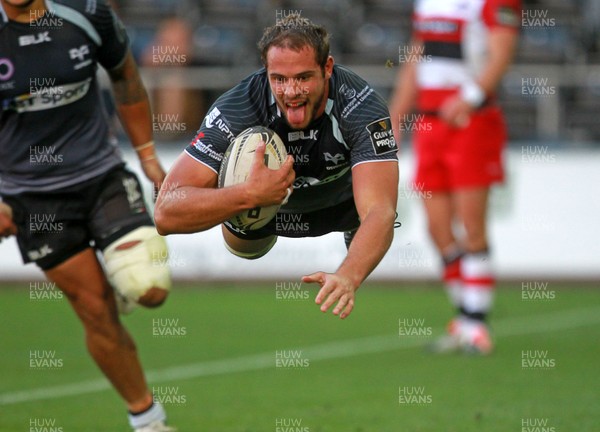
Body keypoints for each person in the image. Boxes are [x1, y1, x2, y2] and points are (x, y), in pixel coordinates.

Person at [154, 13, 399, 320]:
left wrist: (348, 276)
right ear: (265, 72)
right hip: (266, 209)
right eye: (279, 79)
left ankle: (353, 231)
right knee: (244, 248)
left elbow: (380, 210)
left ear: (327, 68)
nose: (291, 91)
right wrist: (249, 194)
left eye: (303, 78)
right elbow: (165, 212)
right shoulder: (238, 108)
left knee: (377, 219)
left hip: (343, 203)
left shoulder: (361, 104)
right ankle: (251, 211)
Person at [0, 0, 174, 430]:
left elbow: (126, 76)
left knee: (149, 288)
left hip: (101, 177)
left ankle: (123, 276)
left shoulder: (86, 10)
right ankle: (149, 422)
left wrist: (148, 156)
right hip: (32, 198)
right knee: (95, 311)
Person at [389, 0, 521, 354]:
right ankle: (465, 319)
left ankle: (476, 324)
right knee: (437, 228)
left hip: (472, 122)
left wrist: (471, 97)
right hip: (430, 122)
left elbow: (502, 52)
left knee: (471, 225)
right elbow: (417, 54)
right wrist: (399, 111)